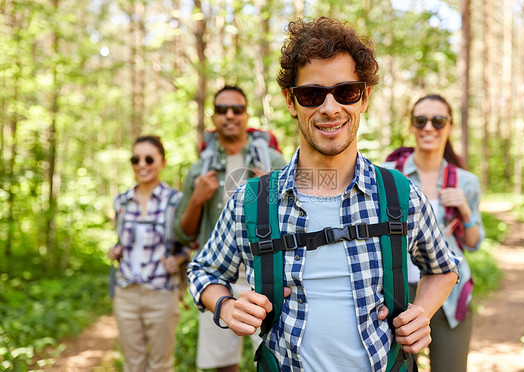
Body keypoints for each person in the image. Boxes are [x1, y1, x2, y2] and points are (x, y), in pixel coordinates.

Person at [188, 17, 460, 372]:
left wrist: (420, 313)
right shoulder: (253, 200)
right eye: (312, 94)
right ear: (291, 101)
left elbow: (443, 269)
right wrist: (225, 305)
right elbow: (203, 271)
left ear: (364, 98)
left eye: (345, 91)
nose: (330, 108)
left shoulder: (400, 194)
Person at [173, 85, 286, 372]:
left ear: (247, 115)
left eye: (237, 109)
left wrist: (270, 191)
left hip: (267, 274)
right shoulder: (200, 170)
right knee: (223, 365)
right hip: (218, 279)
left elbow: (295, 225)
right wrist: (197, 200)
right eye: (222, 110)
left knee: (278, 360)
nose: (230, 115)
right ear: (214, 118)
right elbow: (182, 233)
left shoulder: (271, 162)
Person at [382, 94, 485, 372]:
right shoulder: (388, 176)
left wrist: (466, 211)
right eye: (421, 120)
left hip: (450, 293)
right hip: (396, 294)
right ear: (412, 126)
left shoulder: (466, 181)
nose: (429, 127)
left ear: (449, 127)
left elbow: (473, 244)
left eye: (439, 121)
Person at [108, 135, 189, 372]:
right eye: (136, 159)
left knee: (161, 365)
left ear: (162, 162)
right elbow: (122, 241)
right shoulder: (121, 201)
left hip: (162, 293)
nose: (142, 164)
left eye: (149, 158)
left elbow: (190, 243)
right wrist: (117, 250)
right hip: (126, 293)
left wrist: (179, 259)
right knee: (133, 364)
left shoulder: (177, 201)